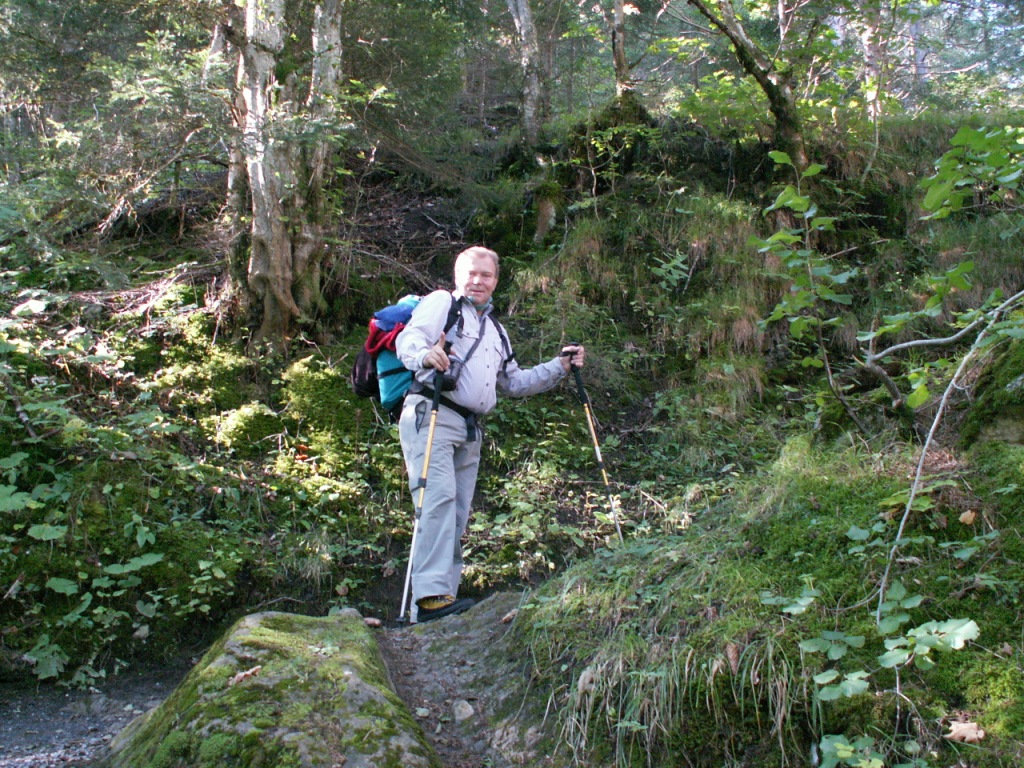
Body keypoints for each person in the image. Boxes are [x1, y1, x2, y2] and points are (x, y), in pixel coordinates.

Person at [395, 246, 585, 623]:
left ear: (496, 281)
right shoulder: (442, 303)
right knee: (437, 501)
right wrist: (423, 356)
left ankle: (439, 601)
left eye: (486, 275)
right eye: (471, 273)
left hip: (470, 429)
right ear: (458, 276)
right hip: (432, 413)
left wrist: (560, 366)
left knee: (457, 511)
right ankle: (430, 598)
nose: (478, 281)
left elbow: (513, 382)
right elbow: (409, 340)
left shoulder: (496, 331)